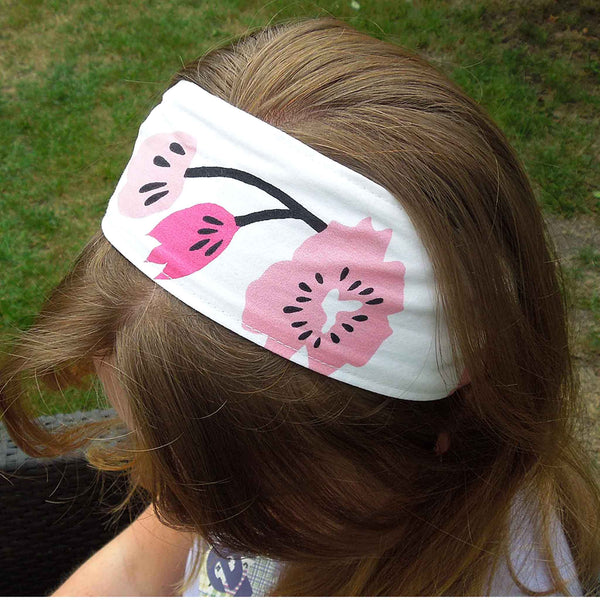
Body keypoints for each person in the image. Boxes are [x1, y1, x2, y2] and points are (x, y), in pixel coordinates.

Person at [1, 17, 599, 596]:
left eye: (236, 498)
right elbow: (138, 566)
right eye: (154, 447)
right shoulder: (251, 460)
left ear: (434, 434)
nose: (183, 515)